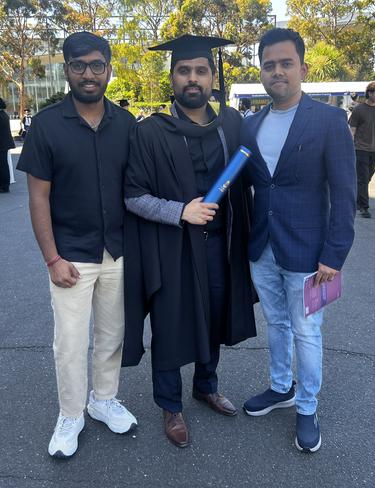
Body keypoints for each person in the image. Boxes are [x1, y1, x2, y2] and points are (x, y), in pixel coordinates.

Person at [123, 34, 257, 449]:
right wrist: (179, 211)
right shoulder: (150, 132)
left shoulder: (231, 125)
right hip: (172, 248)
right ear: (173, 76)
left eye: (201, 70)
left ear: (212, 77)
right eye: (184, 71)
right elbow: (133, 196)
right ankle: (170, 404)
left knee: (214, 316)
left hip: (220, 245)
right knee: (170, 324)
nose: (192, 79)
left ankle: (206, 385)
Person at [16, 31, 138, 459]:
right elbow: (38, 197)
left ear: (108, 68)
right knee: (69, 341)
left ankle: (103, 399)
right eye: (79, 65)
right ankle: (71, 413)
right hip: (70, 255)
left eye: (96, 65)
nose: (88, 74)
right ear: (66, 69)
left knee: (112, 335)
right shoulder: (47, 125)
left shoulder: (125, 123)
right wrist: (51, 257)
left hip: (118, 251)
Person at [240, 28, 356, 453]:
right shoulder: (250, 125)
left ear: (303, 68)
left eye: (286, 63)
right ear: (261, 71)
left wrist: (335, 255)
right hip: (262, 249)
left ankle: (307, 405)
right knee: (276, 324)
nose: (277, 71)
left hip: (311, 254)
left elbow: (344, 193)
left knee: (307, 332)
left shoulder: (328, 120)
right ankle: (280, 387)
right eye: (269, 64)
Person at [348, 81, 375, 218]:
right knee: (362, 178)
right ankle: (364, 207)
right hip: (360, 148)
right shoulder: (359, 109)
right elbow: (352, 129)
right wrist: (348, 146)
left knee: (367, 177)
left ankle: (357, 200)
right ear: (370, 93)